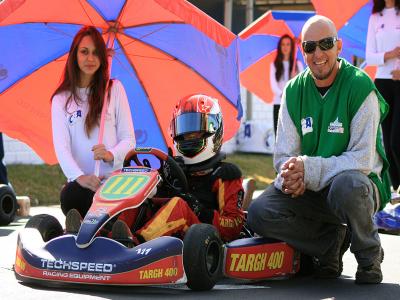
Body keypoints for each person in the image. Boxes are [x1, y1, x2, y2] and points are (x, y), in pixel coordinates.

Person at [247, 15, 391, 284]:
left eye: (325, 44)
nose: (318, 53)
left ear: (339, 46)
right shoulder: (292, 91)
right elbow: (283, 157)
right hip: (311, 188)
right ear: (302, 51)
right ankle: (330, 245)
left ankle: (369, 256)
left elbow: (362, 160)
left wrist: (308, 169)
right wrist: (291, 176)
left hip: (357, 187)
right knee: (259, 212)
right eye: (310, 47)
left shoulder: (360, 87)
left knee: (348, 186)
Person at [104, 94, 245, 245]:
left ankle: (135, 243)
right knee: (138, 199)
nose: (188, 136)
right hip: (173, 234)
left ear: (213, 129)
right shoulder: (172, 167)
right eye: (184, 130)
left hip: (205, 239)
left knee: (178, 205)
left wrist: (200, 210)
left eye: (195, 131)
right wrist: (159, 185)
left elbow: (233, 227)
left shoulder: (226, 174)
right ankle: (105, 239)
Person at [51, 26, 135, 219]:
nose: (90, 58)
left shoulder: (114, 90)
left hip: (113, 183)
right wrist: (80, 177)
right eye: (84, 52)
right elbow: (62, 148)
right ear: (74, 55)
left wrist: (109, 154)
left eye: (96, 53)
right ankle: (82, 229)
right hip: (81, 186)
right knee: (71, 197)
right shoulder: (61, 99)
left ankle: (113, 232)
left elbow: (129, 139)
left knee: (117, 202)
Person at [366, 0, 400, 192]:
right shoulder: (374, 18)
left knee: (397, 140)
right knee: (387, 143)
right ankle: (396, 190)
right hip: (382, 83)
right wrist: (389, 54)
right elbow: (370, 56)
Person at [270, 34, 304, 135]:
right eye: (283, 44)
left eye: (288, 44)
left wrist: (294, 77)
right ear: (280, 47)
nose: (285, 47)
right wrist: (283, 94)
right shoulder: (274, 65)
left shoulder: (298, 65)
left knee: (292, 134)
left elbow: (301, 84)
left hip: (292, 104)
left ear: (291, 46)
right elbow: (273, 85)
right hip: (278, 103)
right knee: (279, 133)